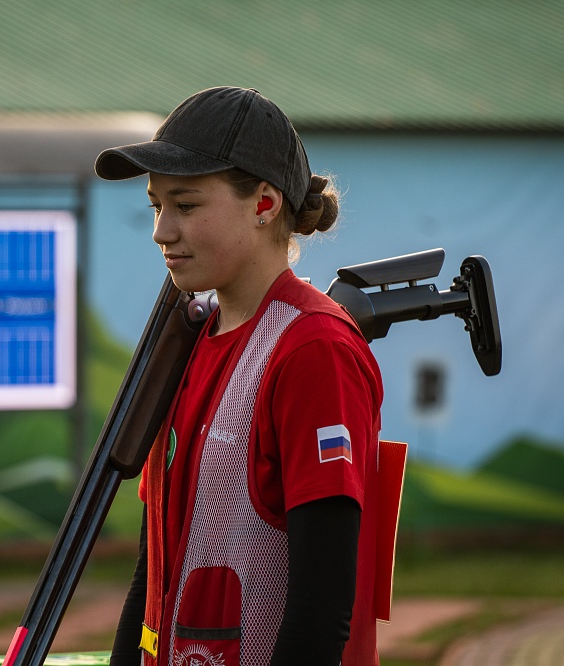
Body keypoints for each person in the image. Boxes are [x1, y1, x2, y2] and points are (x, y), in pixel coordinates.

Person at [94, 87, 384, 666]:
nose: (161, 230)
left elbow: (322, 609)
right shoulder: (188, 341)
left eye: (186, 205)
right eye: (156, 206)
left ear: (264, 204)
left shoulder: (313, 349)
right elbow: (152, 574)